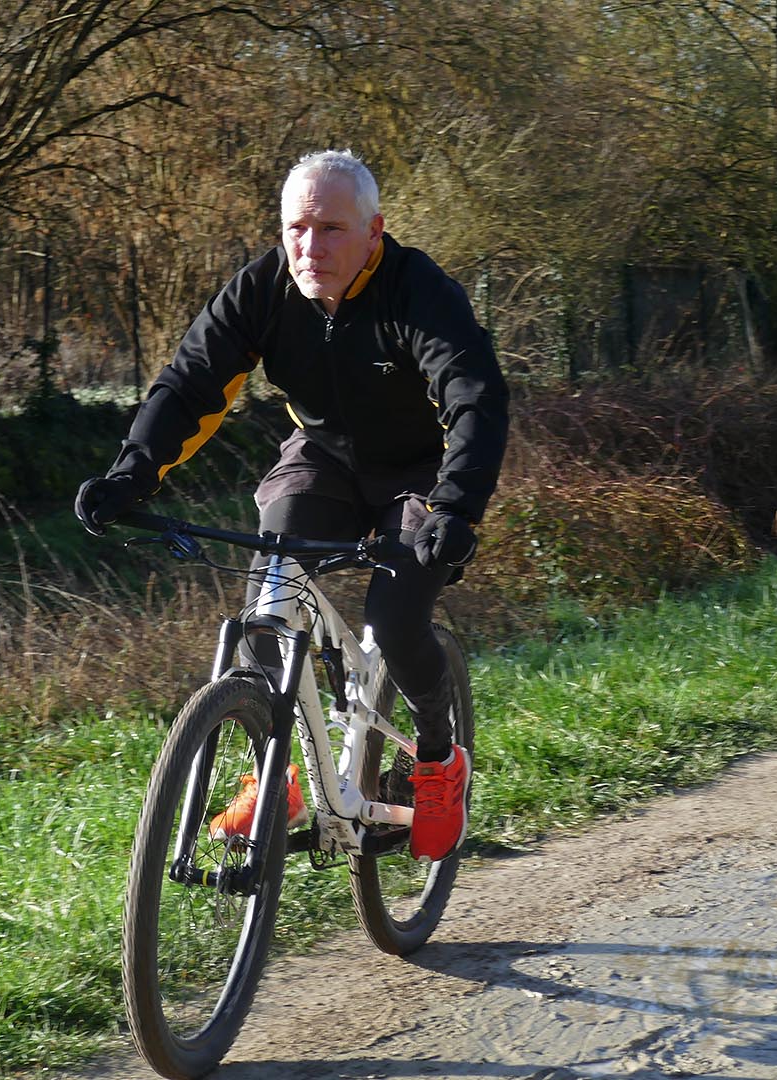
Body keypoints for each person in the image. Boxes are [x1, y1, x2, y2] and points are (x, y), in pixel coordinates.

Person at [75, 149, 508, 860]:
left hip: (423, 473)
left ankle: (436, 759)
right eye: (296, 228)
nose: (311, 247)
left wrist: (458, 506)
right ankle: (275, 776)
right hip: (324, 457)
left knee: (396, 621)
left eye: (332, 228)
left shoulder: (418, 290)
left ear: (373, 231)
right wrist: (132, 475)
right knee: (266, 610)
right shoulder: (264, 289)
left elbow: (473, 398)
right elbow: (191, 383)